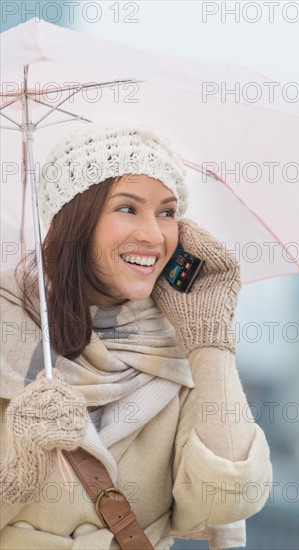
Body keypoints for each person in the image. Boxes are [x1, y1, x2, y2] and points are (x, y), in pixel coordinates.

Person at [0, 123, 272, 550]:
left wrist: (210, 338)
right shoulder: (7, 327)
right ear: (76, 220)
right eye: (128, 208)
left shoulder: (177, 342)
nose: (153, 235)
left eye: (166, 212)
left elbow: (229, 497)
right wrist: (20, 466)